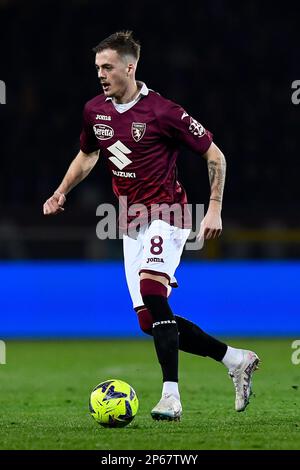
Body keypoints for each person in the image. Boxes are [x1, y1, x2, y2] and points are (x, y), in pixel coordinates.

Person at [43, 30, 259, 421]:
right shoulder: (95, 110)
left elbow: (215, 155)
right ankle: (235, 359)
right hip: (129, 223)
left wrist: (214, 208)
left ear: (131, 66)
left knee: (150, 289)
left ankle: (171, 398)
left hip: (169, 214)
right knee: (149, 319)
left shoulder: (163, 111)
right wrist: (61, 191)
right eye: (97, 68)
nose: (101, 75)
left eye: (107, 67)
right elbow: (88, 155)